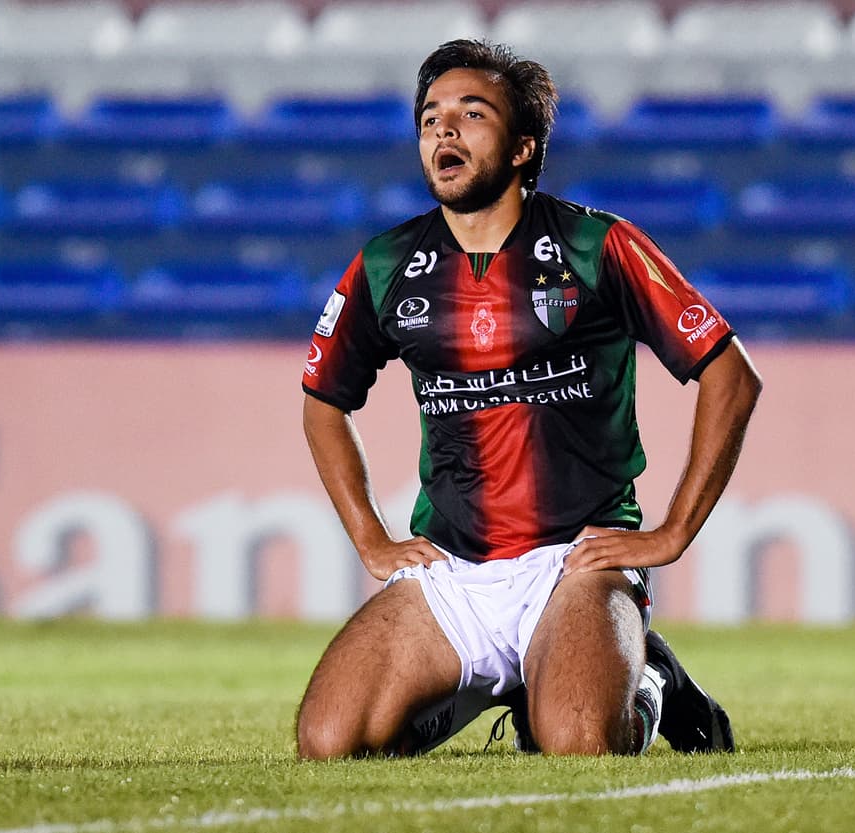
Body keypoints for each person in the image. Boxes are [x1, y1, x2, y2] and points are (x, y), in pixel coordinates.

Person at [296, 39, 762, 759]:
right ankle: (506, 679)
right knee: (330, 744)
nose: (443, 130)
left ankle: (652, 683)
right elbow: (324, 400)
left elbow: (731, 375)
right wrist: (370, 536)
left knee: (576, 744)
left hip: (577, 561)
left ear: (522, 147)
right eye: (430, 118)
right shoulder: (386, 265)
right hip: (453, 569)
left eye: (470, 114)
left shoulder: (595, 245)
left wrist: (670, 533)